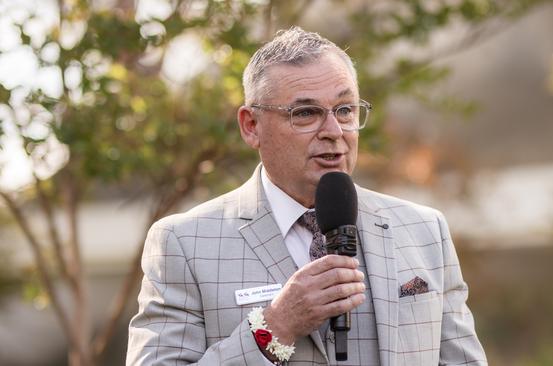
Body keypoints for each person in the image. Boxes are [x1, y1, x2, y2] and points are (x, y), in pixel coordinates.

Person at [126, 26, 487, 366]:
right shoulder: (184, 244)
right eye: (306, 113)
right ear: (251, 126)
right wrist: (275, 326)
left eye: (345, 110)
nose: (334, 131)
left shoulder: (425, 230)